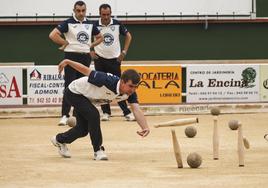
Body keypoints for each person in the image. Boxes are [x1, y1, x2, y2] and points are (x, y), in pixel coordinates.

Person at [51, 59, 150, 160]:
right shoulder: (106, 80)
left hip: (87, 99)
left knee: (82, 130)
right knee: (94, 115)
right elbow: (85, 70)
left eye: (135, 87)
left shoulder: (130, 94)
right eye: (130, 86)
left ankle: (59, 139)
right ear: (122, 82)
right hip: (74, 92)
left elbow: (136, 109)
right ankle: (98, 151)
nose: (133, 90)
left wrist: (145, 127)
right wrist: (68, 62)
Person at [49, 1, 104, 126]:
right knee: (69, 86)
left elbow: (100, 37)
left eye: (83, 10)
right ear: (74, 10)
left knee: (83, 87)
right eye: (78, 10)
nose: (81, 13)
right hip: (71, 57)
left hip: (85, 58)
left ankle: (77, 115)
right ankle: (64, 115)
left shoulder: (90, 24)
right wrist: (64, 43)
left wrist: (91, 45)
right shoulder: (68, 23)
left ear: (86, 10)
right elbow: (52, 35)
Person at [91, 4, 134, 121]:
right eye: (103, 14)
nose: (106, 17)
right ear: (99, 14)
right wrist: (90, 51)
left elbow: (129, 36)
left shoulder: (117, 23)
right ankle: (106, 113)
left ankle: (126, 112)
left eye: (108, 14)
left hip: (115, 60)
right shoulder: (94, 25)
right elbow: (85, 38)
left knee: (120, 87)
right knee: (102, 86)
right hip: (99, 60)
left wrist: (124, 52)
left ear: (111, 14)